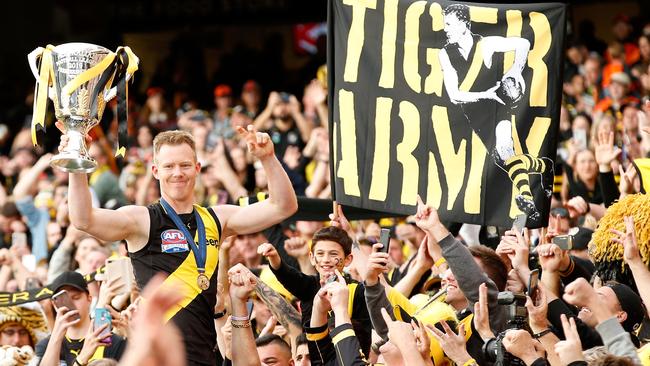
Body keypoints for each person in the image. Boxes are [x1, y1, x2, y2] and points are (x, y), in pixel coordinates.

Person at [59, 122, 298, 366]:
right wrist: (76, 163)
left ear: (197, 168)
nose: (177, 173)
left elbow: (283, 206)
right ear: (155, 171)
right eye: (169, 166)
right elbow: (83, 219)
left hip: (206, 358)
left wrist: (267, 158)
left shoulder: (217, 218)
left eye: (185, 165)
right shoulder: (142, 220)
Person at [438, 3, 553, 223]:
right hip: (475, 113)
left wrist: (516, 70)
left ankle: (526, 197)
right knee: (502, 160)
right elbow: (454, 95)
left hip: (498, 107)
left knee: (504, 148)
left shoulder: (486, 44)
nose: (446, 29)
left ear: (464, 24)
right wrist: (488, 94)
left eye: (450, 24)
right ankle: (544, 166)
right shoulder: (445, 53)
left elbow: (523, 42)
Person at [35, 271, 127, 366]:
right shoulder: (46, 345)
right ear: (55, 305)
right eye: (63, 299)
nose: (71, 305)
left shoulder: (111, 341)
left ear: (89, 299)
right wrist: (81, 358)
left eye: (76, 297)